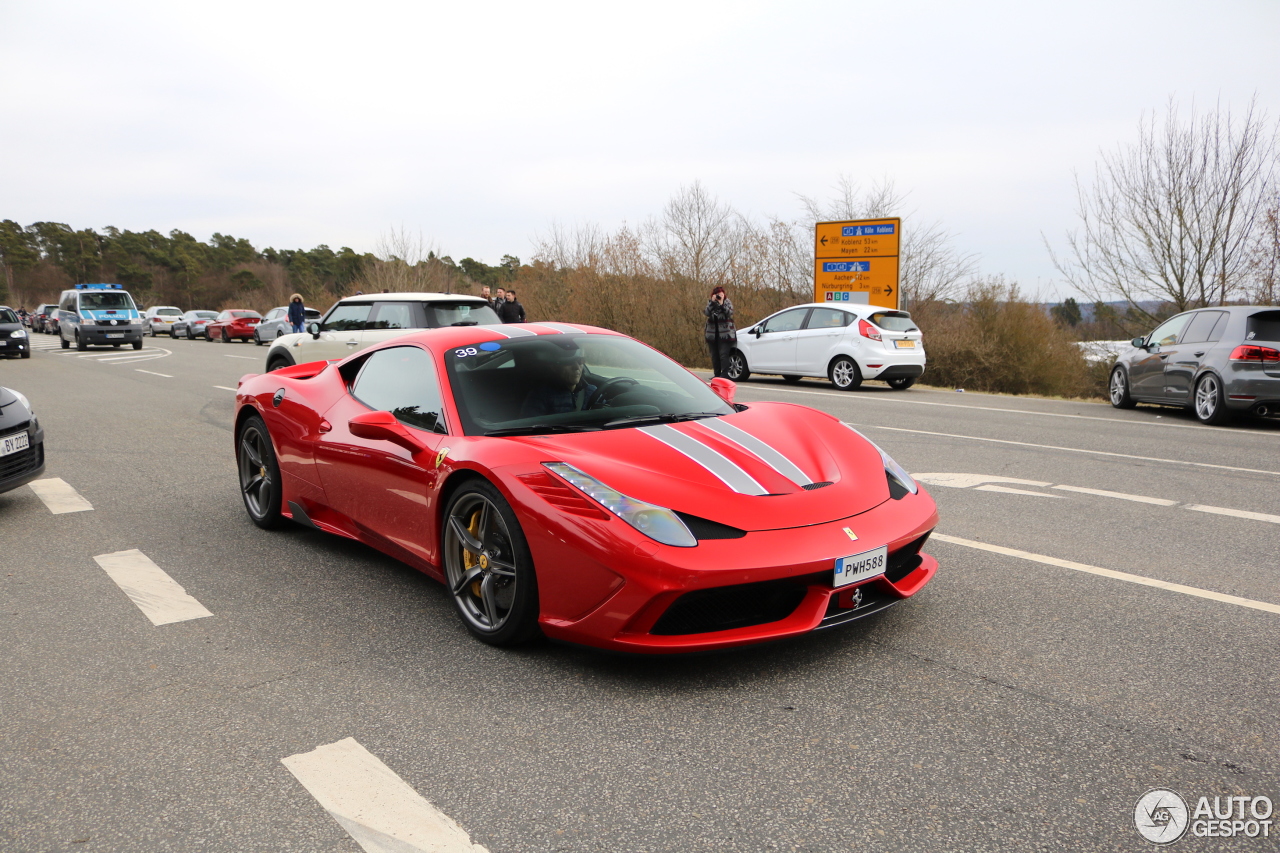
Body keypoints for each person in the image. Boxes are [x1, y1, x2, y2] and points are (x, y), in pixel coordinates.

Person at [520, 340, 597, 417]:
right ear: (554, 367)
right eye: (569, 362)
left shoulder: (591, 391)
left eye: (580, 361)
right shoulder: (540, 396)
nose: (577, 367)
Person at [703, 285, 736, 377]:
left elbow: (729, 313)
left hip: (725, 334)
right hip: (713, 334)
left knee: (723, 355)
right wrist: (712, 303)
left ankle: (725, 374)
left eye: (720, 294)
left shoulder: (727, 302)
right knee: (714, 356)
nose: (718, 296)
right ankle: (716, 374)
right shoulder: (711, 303)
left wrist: (722, 304)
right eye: (716, 294)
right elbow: (706, 313)